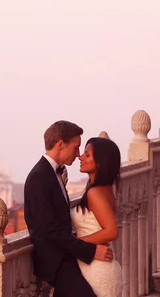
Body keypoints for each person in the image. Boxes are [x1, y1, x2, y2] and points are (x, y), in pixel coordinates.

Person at [24, 120, 114, 297]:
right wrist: (91, 250)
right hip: (57, 263)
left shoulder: (53, 173)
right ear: (60, 144)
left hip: (67, 258)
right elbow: (48, 230)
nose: (78, 154)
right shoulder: (39, 177)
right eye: (76, 147)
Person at [71, 137, 123, 297]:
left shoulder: (95, 193)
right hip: (96, 266)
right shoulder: (105, 189)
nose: (80, 157)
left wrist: (74, 244)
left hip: (96, 269)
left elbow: (111, 232)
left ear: (100, 162)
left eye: (87, 155)